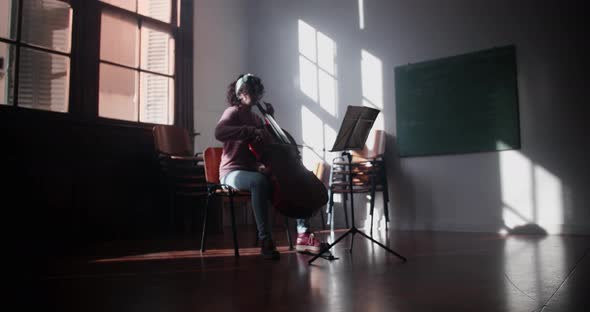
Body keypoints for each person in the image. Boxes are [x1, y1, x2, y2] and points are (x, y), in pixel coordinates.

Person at [215, 73, 323, 260]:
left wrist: (270, 119)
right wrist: (249, 130)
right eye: (251, 90)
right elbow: (220, 132)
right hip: (232, 172)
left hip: (252, 169)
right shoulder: (233, 112)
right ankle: (265, 239)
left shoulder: (258, 119)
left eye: (258, 90)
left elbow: (272, 147)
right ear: (240, 94)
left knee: (295, 181)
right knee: (259, 182)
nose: (256, 93)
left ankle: (303, 235)